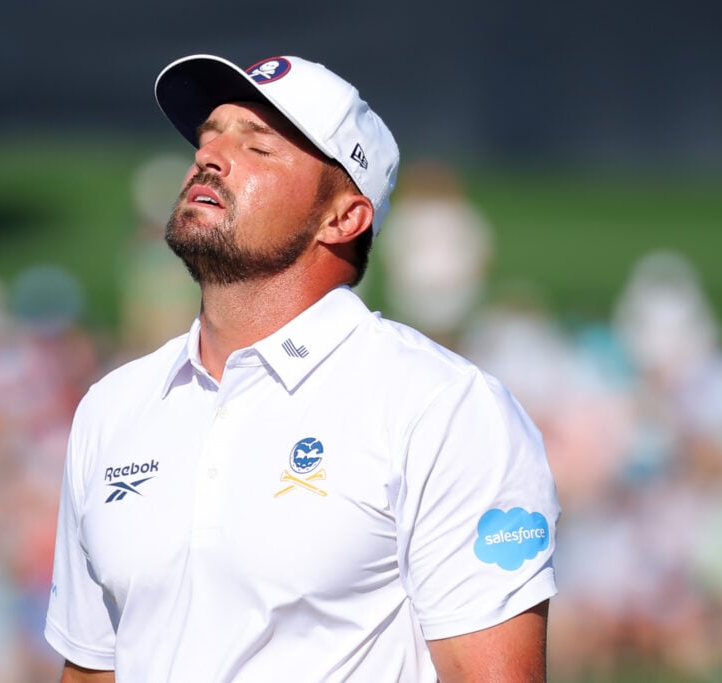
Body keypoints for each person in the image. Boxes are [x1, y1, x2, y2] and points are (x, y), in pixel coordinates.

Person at [44, 53, 560, 683]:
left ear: (343, 217)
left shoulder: (441, 406)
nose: (211, 156)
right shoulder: (113, 407)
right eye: (210, 136)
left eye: (258, 147)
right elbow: (93, 669)